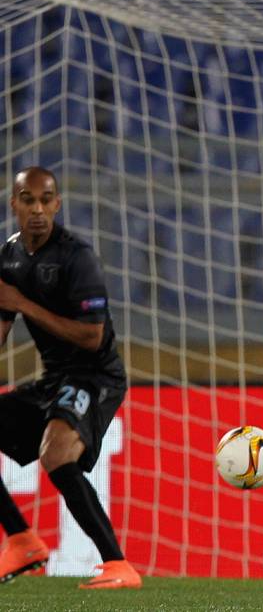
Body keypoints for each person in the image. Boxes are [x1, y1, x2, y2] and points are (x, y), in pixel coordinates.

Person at [0, 167, 141, 589]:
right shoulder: (8, 257)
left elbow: (91, 337)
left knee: (57, 454)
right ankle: (22, 541)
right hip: (55, 379)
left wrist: (23, 301)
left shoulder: (76, 257)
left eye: (46, 199)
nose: (38, 209)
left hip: (97, 375)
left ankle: (118, 565)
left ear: (57, 205)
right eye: (28, 199)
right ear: (15, 205)